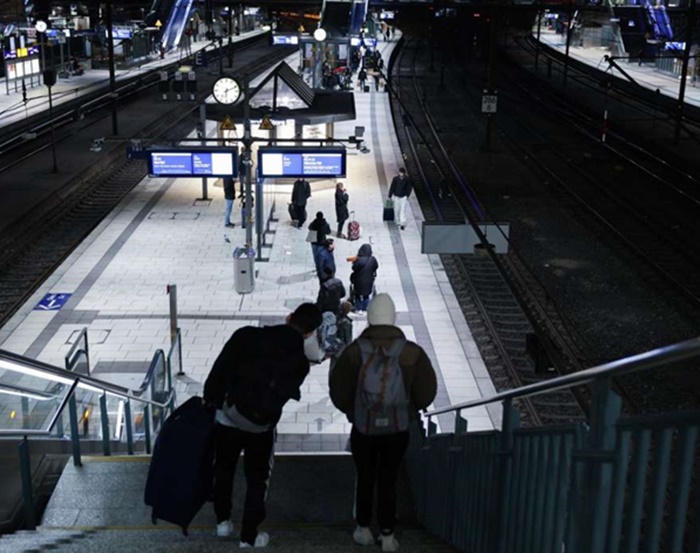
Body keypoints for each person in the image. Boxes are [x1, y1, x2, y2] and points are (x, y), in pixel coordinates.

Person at [203, 303, 323, 548]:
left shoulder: (247, 335)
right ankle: (249, 536)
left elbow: (220, 370)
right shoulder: (300, 363)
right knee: (257, 479)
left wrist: (210, 400)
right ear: (310, 333)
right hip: (261, 427)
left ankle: (223, 522)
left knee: (223, 469)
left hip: (228, 416)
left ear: (289, 317)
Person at [329, 293, 437, 552]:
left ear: (370, 319)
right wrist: (408, 409)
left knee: (365, 476)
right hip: (397, 429)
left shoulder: (354, 351)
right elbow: (427, 392)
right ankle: (388, 535)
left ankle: (363, 529)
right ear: (393, 319)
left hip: (364, 428)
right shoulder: (412, 352)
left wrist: (354, 412)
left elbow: (338, 391)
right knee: (388, 479)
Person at [350, 244, 378, 313]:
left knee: (357, 294)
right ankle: (365, 307)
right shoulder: (372, 259)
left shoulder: (358, 260)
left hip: (358, 280)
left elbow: (354, 268)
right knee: (366, 294)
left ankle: (359, 308)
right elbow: (376, 266)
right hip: (369, 279)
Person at [308, 211, 331, 276]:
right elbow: (328, 232)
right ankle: (321, 268)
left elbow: (309, 228)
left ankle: (317, 267)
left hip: (314, 241)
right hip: (322, 242)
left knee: (315, 256)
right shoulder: (325, 224)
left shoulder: (314, 223)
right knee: (321, 256)